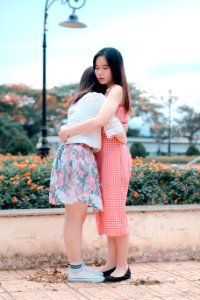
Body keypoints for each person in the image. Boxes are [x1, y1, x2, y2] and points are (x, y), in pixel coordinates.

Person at [59, 47, 132, 282]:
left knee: (116, 212)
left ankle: (123, 266)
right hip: (103, 157)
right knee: (107, 213)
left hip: (114, 157)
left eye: (105, 67)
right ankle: (111, 263)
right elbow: (112, 127)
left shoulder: (116, 90)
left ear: (115, 68)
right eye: (97, 67)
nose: (100, 72)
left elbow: (103, 121)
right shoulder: (106, 92)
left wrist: (69, 130)